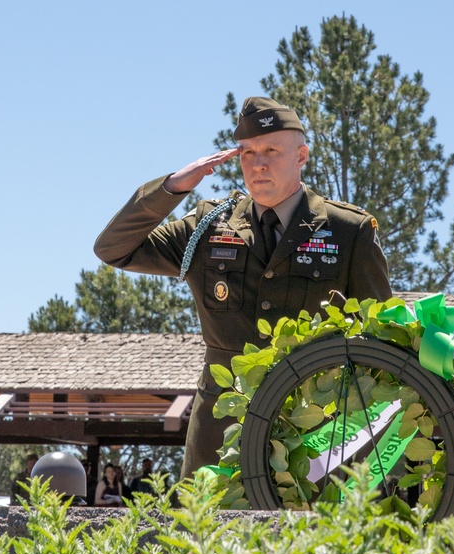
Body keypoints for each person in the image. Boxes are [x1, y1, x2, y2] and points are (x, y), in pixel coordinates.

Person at [94, 97, 392, 479]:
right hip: (222, 423)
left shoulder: (348, 231)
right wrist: (171, 188)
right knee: (203, 532)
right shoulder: (209, 226)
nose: (258, 163)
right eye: (247, 152)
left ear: (302, 156)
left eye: (271, 150)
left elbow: (379, 335)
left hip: (315, 425)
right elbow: (114, 249)